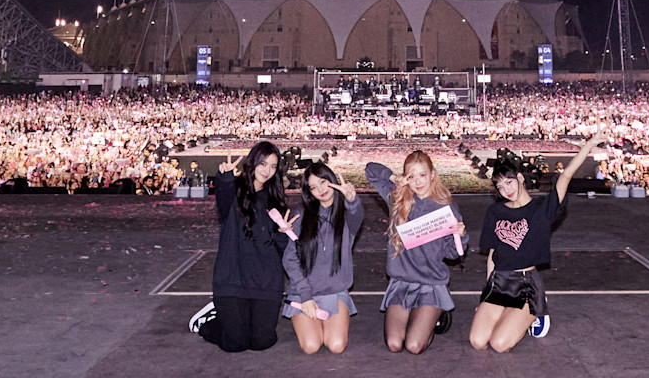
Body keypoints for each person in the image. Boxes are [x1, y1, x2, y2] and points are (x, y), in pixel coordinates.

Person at [470, 131, 608, 352]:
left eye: (509, 182)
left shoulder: (541, 210)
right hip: (499, 282)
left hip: (525, 283)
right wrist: (486, 295)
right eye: (500, 187)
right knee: (478, 342)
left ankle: (535, 312)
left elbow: (565, 176)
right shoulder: (495, 211)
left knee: (499, 344)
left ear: (521, 178)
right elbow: (493, 256)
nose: (507, 190)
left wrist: (589, 145)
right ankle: (510, 315)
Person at [190, 141, 287, 353]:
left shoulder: (276, 201)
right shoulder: (234, 192)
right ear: (252, 163)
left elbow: (282, 248)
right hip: (233, 278)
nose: (267, 170)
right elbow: (223, 197)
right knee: (235, 344)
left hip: (266, 281)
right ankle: (212, 319)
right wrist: (224, 176)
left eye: (273, 166)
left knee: (262, 342)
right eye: (263, 164)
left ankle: (242, 320)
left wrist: (283, 234)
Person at [365, 150, 466, 354]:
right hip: (402, 283)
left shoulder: (445, 207)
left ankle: (438, 315)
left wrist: (460, 236)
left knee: (413, 346)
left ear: (433, 174)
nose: (418, 182)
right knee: (394, 344)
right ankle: (417, 316)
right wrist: (395, 178)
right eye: (412, 176)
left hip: (431, 283)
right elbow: (370, 170)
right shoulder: (397, 198)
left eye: (423, 175)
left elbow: (453, 254)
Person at [268, 160, 363, 355]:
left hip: (334, 293)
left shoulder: (346, 217)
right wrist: (305, 296)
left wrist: (352, 199)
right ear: (309, 192)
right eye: (313, 187)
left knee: (336, 345)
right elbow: (290, 259)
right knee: (311, 346)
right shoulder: (300, 217)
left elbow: (356, 213)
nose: (320, 190)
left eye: (323, 182)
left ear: (331, 180)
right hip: (304, 295)